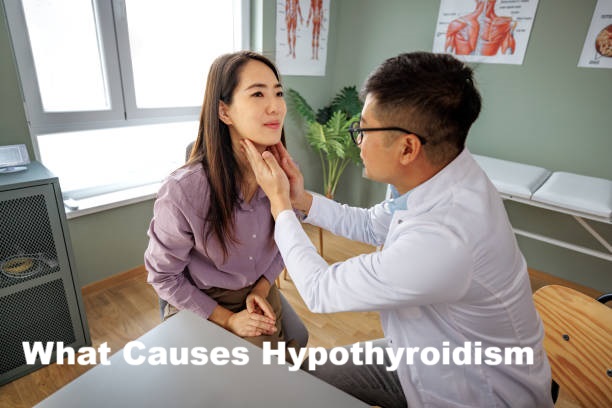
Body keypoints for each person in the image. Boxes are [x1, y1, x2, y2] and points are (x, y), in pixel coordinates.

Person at [242, 51, 553, 407]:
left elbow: (319, 290)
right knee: (309, 378)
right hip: (424, 352)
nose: (357, 139)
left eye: (363, 129)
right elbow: (373, 225)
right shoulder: (443, 175)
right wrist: (301, 200)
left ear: (407, 148)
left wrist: (280, 204)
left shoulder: (445, 239)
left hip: (474, 390)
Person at [144, 51, 307, 352]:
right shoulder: (183, 191)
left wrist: (261, 287)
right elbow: (163, 277)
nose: (276, 106)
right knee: (264, 362)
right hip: (204, 300)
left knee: (290, 348)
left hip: (256, 289)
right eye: (258, 93)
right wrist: (228, 320)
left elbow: (288, 241)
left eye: (278, 93)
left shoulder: (283, 175)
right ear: (224, 112)